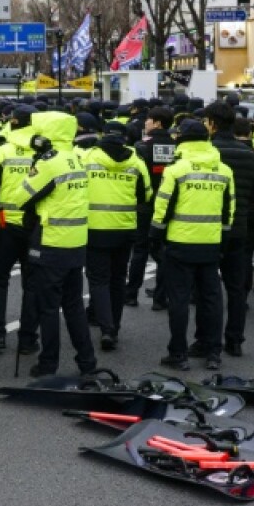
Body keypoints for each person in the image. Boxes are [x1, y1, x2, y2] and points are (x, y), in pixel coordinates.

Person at [151, 119, 234, 371]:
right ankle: (212, 352)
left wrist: (155, 237)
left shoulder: (176, 169)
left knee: (179, 300)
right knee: (211, 298)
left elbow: (162, 207)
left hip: (180, 242)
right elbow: (229, 209)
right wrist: (224, 240)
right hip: (211, 242)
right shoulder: (223, 170)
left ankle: (178, 354)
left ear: (182, 139)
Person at [19, 112, 97, 377]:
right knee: (73, 305)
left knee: (48, 307)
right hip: (75, 240)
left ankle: (48, 363)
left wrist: (35, 164)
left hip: (51, 240)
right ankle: (87, 362)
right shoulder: (76, 157)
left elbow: (22, 195)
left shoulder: (49, 162)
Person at [82, 122, 150, 351]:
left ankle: (106, 328)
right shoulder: (136, 161)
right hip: (125, 227)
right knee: (118, 278)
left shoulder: (88, 157)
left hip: (95, 227)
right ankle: (115, 327)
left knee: (98, 279)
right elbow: (145, 195)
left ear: (103, 135)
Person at [205, 101, 254, 357]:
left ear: (213, 124)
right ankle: (235, 339)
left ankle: (208, 341)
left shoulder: (207, 153)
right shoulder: (251, 155)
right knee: (236, 288)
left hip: (206, 227)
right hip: (241, 226)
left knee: (208, 289)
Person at [0, 105, 39, 354]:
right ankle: (28, 340)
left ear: (13, 122)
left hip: (4, 224)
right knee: (32, 284)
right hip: (35, 224)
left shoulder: (1, 152)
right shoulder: (44, 152)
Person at [130, 107, 177, 310]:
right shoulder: (178, 147)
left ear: (157, 123)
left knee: (140, 250)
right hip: (168, 205)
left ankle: (131, 294)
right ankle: (160, 297)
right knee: (164, 250)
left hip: (145, 204)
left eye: (148, 120)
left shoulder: (141, 146)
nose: (145, 123)